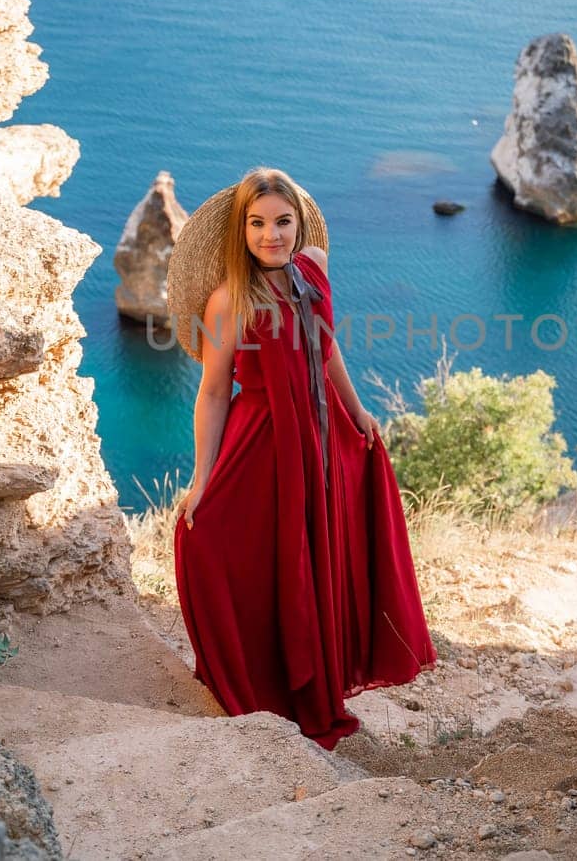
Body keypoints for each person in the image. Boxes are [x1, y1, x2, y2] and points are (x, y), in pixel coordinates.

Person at [164, 166, 437, 750]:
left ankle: (324, 675)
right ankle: (266, 682)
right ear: (239, 229)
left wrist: (357, 410)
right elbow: (213, 392)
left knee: (320, 554)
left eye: (282, 221)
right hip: (263, 440)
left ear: (298, 224)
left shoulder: (314, 268)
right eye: (257, 223)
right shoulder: (229, 300)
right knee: (220, 543)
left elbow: (327, 345)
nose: (272, 235)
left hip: (318, 433)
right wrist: (201, 477)